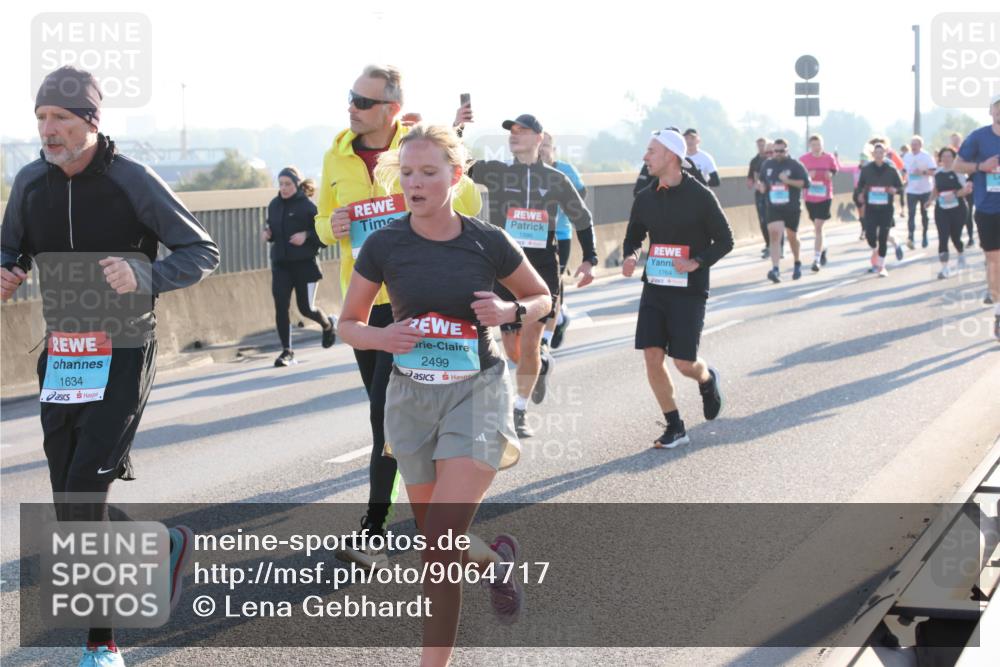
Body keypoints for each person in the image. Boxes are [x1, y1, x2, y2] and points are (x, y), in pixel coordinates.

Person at [0, 66, 220, 667]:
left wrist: (146, 273)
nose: (48, 129)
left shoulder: (132, 179)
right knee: (69, 504)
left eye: (60, 118)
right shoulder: (30, 182)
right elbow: (10, 245)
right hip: (63, 354)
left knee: (85, 488)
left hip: (123, 350)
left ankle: (102, 644)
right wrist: (8, 269)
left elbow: (201, 250)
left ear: (91, 122)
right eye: (41, 118)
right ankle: (163, 544)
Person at [338, 125, 551, 666]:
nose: (415, 183)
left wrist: (509, 311)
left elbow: (541, 296)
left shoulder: (486, 240)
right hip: (411, 397)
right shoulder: (385, 243)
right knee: (439, 541)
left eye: (428, 172)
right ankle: (496, 563)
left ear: (455, 177)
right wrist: (383, 337)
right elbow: (348, 323)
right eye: (407, 172)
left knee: (437, 544)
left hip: (476, 392)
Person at [313, 65, 483, 567]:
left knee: (387, 417)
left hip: (416, 299)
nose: (352, 107)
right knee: (392, 416)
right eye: (350, 97)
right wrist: (330, 224)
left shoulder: (415, 149)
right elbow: (321, 221)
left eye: (363, 101)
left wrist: (447, 158)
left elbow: (470, 202)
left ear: (391, 108)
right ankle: (445, 526)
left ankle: (376, 531)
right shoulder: (335, 154)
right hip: (365, 304)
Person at [455, 109, 597, 432]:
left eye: (521, 131)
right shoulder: (498, 173)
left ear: (538, 138)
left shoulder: (556, 179)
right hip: (505, 268)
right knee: (513, 349)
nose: (514, 135)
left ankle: (518, 410)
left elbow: (582, 218)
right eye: (511, 131)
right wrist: (458, 127)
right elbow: (459, 161)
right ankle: (540, 366)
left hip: (543, 268)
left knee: (531, 342)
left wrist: (590, 258)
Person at [622, 129, 732, 448]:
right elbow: (634, 237)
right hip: (655, 287)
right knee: (652, 356)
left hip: (689, 290)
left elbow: (726, 240)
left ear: (671, 156)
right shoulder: (646, 197)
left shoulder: (700, 196)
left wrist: (697, 261)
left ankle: (707, 378)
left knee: (684, 363)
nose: (645, 157)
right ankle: (675, 426)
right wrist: (631, 256)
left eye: (651, 151)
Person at [263, 167, 336, 366]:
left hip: (305, 266)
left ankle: (327, 325)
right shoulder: (274, 205)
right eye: (281, 184)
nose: (284, 188)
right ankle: (287, 351)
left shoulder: (307, 207)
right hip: (281, 265)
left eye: (288, 184)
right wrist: (268, 233)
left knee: (306, 309)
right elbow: (272, 229)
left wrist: (307, 235)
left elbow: (323, 235)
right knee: (281, 307)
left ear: (297, 184)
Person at [954, 93, 1000, 338]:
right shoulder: (978, 137)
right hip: (988, 209)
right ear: (990, 111)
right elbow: (957, 165)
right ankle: (999, 313)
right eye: (997, 107)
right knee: (994, 261)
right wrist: (981, 166)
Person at [539, 132, 586, 349]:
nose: (542, 149)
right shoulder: (526, 171)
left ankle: (547, 336)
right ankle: (559, 317)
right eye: (540, 144)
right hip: (533, 235)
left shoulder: (565, 170)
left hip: (561, 234)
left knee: (553, 282)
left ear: (554, 149)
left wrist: (564, 202)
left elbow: (581, 195)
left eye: (547, 145)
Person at [758, 138, 810, 282]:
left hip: (791, 207)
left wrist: (787, 181)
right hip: (773, 206)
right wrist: (762, 186)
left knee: (792, 237)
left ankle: (797, 262)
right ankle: (775, 269)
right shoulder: (767, 164)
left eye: (781, 151)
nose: (778, 153)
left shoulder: (795, 165)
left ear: (787, 150)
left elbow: (806, 183)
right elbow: (762, 180)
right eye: (776, 151)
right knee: (774, 234)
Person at [854, 142, 904, 277]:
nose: (878, 155)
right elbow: (860, 185)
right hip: (871, 208)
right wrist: (860, 194)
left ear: (885, 154)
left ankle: (881, 266)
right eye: (876, 153)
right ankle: (876, 250)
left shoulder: (891, 170)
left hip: (886, 209)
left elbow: (901, 187)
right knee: (870, 236)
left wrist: (895, 190)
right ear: (873, 154)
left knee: (883, 236)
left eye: (881, 153)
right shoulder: (867, 170)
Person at [799, 134, 841, 272]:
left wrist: (830, 174)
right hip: (810, 197)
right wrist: (807, 175)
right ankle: (823, 246)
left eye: (818, 145)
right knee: (817, 228)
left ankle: (816, 260)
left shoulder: (829, 157)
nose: (816, 147)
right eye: (813, 145)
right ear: (809, 146)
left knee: (818, 226)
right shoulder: (803, 159)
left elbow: (835, 170)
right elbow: (798, 175)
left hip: (825, 196)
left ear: (822, 145)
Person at [929, 147, 971, 279]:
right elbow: (936, 189)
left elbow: (967, 189)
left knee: (955, 237)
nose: (946, 159)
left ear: (954, 158)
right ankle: (944, 268)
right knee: (943, 237)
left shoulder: (958, 172)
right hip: (941, 209)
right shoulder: (937, 173)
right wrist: (929, 200)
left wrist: (954, 194)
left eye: (949, 156)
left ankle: (960, 252)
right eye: (943, 156)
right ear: (940, 159)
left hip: (958, 209)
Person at [902, 136, 936, 249]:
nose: (913, 146)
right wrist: (903, 178)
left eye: (916, 144)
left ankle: (924, 235)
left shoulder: (926, 156)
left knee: (924, 213)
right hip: (911, 190)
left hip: (925, 189)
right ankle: (911, 237)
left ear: (920, 145)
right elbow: (904, 170)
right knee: (911, 213)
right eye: (912, 144)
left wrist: (923, 172)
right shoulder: (907, 156)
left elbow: (934, 171)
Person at [748, 138, 772, 258]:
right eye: (759, 145)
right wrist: (752, 183)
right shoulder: (754, 161)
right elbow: (750, 177)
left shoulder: (772, 160)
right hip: (760, 195)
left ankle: (776, 246)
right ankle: (768, 244)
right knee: (763, 220)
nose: (761, 147)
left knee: (772, 220)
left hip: (772, 194)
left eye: (763, 145)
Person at [951, 132, 977, 247]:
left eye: (957, 140)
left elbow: (973, 168)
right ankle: (959, 237)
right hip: (957, 186)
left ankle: (971, 237)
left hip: (969, 184)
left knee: (971, 212)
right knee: (962, 213)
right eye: (953, 140)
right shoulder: (949, 152)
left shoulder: (968, 152)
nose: (955, 142)